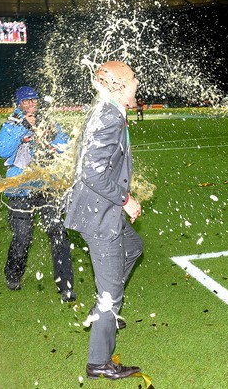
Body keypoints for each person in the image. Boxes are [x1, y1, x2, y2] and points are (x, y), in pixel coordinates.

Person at [64, 61, 144, 380]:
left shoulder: (107, 108)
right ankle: (99, 361)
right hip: (101, 214)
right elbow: (92, 171)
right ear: (120, 86)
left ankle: (103, 307)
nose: (137, 83)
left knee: (134, 247)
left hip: (98, 207)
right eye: (133, 79)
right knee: (111, 294)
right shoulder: (110, 116)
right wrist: (126, 199)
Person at [0, 86, 76, 302]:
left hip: (47, 185)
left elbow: (66, 147)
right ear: (18, 104)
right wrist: (23, 128)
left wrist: (54, 137)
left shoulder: (47, 121)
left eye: (33, 100)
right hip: (20, 188)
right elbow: (1, 150)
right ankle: (13, 275)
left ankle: (65, 285)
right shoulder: (12, 123)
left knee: (58, 233)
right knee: (23, 237)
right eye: (25, 102)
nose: (30, 105)